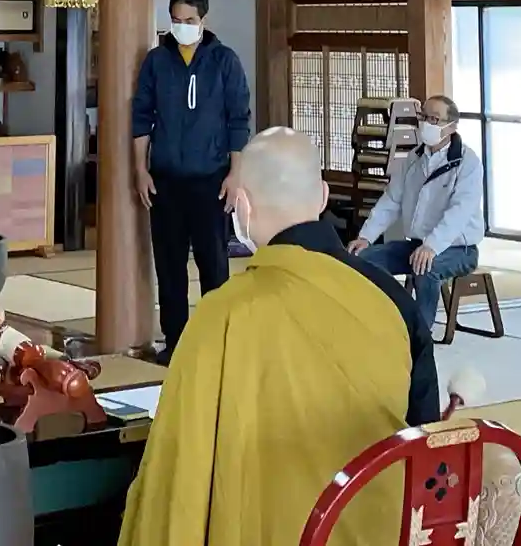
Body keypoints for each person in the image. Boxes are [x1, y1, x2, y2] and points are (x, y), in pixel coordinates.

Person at [119, 128, 419, 546]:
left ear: (241, 206)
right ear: (323, 196)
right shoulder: (392, 300)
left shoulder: (223, 313)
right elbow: (422, 436)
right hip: (380, 531)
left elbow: (180, 463)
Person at [131, 0, 252, 358]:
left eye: (189, 20)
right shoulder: (156, 61)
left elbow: (238, 120)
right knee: (169, 267)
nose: (181, 26)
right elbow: (141, 118)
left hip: (210, 179)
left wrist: (235, 174)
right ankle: (176, 344)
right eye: (175, 20)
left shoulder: (224, 61)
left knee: (213, 265)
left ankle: (217, 344)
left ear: (203, 20)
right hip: (165, 180)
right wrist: (140, 169)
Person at [351, 95, 486, 335]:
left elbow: (459, 212)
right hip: (417, 245)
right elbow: (391, 200)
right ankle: (382, 323)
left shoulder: (468, 163)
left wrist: (432, 246)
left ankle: (420, 335)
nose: (426, 123)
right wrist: (366, 237)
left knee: (427, 267)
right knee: (364, 259)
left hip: (459, 249)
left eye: (434, 119)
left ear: (452, 126)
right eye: (424, 117)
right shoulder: (413, 158)